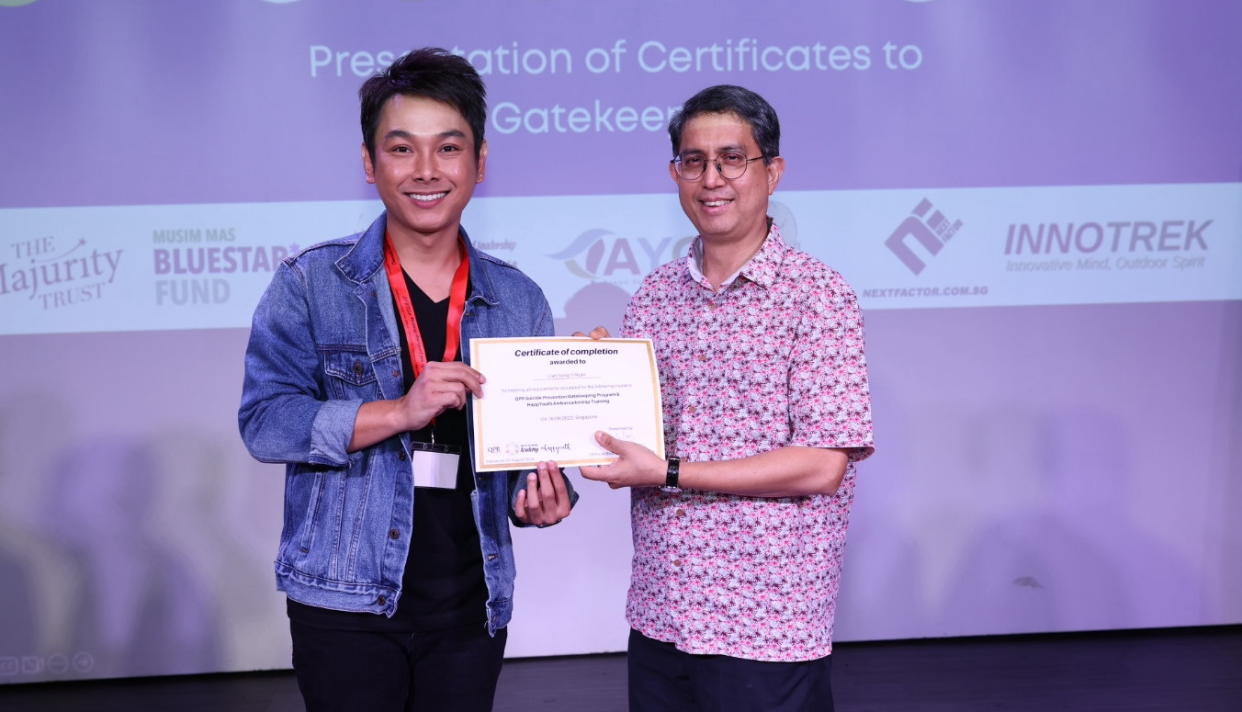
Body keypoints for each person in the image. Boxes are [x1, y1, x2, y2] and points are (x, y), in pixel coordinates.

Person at [238, 47, 576, 712]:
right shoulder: (310, 283)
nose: (426, 171)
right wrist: (397, 411)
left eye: (448, 149)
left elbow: (535, 451)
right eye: (402, 149)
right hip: (345, 601)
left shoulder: (518, 299)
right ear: (370, 164)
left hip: (470, 605)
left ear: (479, 163)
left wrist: (546, 495)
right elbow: (266, 422)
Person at [580, 85, 875, 711]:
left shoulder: (817, 296)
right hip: (663, 609)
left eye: (732, 158)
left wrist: (673, 472)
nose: (711, 178)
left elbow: (824, 464)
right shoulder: (654, 296)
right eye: (694, 161)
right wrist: (582, 376)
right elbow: (637, 435)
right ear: (675, 174)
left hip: (767, 620)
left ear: (773, 171)